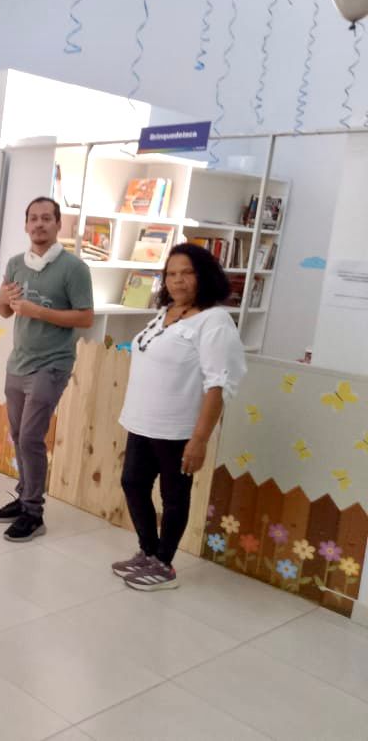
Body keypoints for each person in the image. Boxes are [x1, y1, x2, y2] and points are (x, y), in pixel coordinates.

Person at [112, 244, 247, 591]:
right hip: (142, 421)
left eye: (187, 273)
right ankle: (148, 551)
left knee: (173, 497)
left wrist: (199, 439)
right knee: (133, 484)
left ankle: (164, 564)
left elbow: (218, 384)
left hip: (178, 429)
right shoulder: (166, 313)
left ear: (204, 276)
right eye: (171, 274)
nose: (178, 280)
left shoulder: (214, 321)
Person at [0, 196, 94, 542]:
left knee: (31, 437)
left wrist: (38, 312)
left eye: (47, 218)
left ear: (58, 224)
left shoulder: (74, 268)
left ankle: (33, 513)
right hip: (19, 362)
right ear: (26, 225)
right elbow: (4, 310)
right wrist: (4, 298)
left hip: (52, 364)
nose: (39, 224)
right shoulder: (16, 263)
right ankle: (23, 497)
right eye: (33, 218)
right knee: (19, 435)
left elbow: (86, 318)